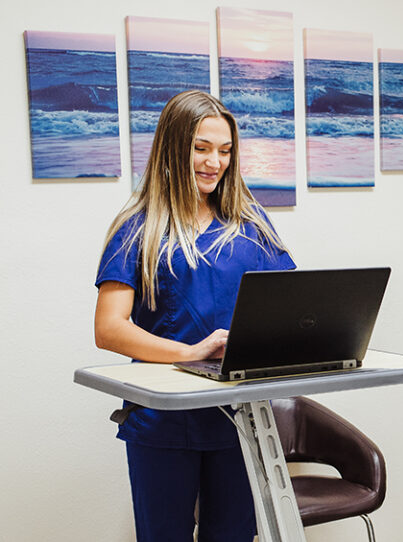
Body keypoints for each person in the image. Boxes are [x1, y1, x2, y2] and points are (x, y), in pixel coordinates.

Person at [94, 90, 295, 541]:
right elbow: (108, 328)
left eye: (224, 151)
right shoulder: (139, 229)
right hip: (165, 420)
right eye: (201, 149)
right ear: (173, 148)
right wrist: (188, 352)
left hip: (239, 418)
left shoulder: (252, 224)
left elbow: (289, 303)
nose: (214, 162)